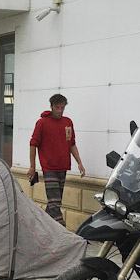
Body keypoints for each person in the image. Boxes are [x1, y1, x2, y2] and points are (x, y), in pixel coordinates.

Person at [27, 93, 85, 225]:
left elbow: (72, 144)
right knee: (55, 202)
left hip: (63, 166)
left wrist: (79, 163)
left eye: (62, 108)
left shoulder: (68, 122)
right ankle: (62, 229)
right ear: (51, 106)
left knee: (54, 202)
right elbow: (33, 144)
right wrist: (32, 166)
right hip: (49, 168)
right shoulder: (42, 123)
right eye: (57, 107)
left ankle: (41, 225)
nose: (60, 110)